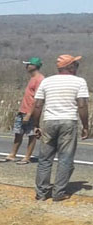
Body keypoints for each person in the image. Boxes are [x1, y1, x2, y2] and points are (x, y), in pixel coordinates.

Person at [31, 54, 89, 201]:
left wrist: (36, 125)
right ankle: (58, 193)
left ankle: (42, 193)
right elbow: (82, 105)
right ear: (69, 67)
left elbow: (38, 105)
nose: (77, 67)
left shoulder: (47, 81)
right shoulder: (79, 82)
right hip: (68, 122)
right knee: (65, 158)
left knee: (45, 159)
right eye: (75, 64)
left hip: (49, 122)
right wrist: (85, 126)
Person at [0, 57, 44, 164]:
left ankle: (27, 157)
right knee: (18, 132)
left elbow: (37, 99)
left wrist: (29, 114)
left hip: (31, 112)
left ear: (34, 66)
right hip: (22, 110)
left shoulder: (39, 79)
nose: (26, 66)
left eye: (28, 64)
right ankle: (12, 154)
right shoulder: (32, 78)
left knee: (31, 134)